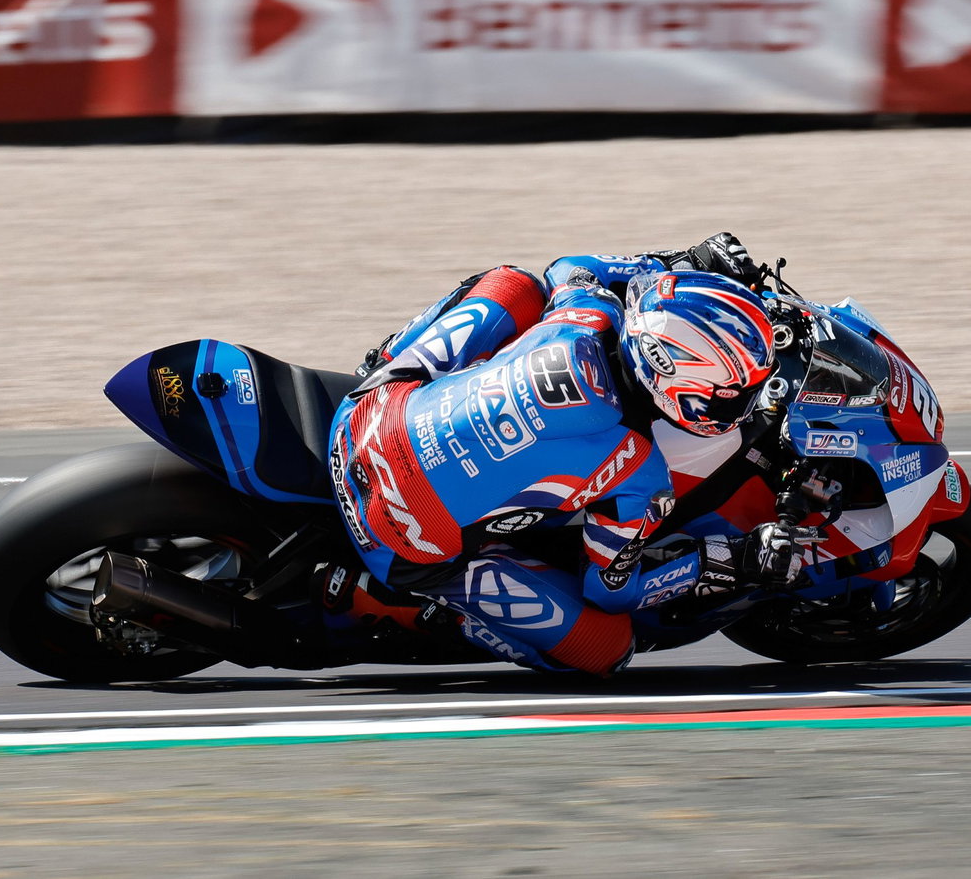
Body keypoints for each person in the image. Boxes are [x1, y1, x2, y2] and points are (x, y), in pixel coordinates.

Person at [326, 233, 821, 675]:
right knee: (606, 648)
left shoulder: (588, 314)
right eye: (734, 391)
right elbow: (611, 590)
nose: (745, 400)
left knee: (515, 284)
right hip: (399, 539)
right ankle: (414, 609)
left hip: (362, 416)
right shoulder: (636, 469)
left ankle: (389, 358)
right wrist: (735, 558)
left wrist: (681, 259)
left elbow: (569, 266)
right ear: (675, 382)